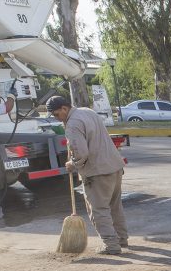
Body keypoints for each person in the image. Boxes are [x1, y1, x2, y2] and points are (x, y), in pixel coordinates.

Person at [47, 95, 127, 255]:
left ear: (64, 108)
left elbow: (81, 153)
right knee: (115, 206)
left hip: (98, 172)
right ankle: (121, 239)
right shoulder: (87, 112)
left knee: (98, 210)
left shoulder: (73, 124)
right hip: (114, 167)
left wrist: (73, 164)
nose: (57, 118)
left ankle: (111, 245)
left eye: (57, 114)